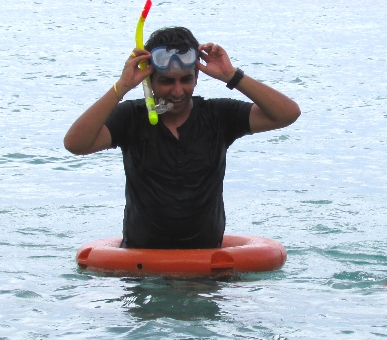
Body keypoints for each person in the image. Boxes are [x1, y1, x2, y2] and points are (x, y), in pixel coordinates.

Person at [64, 26, 300, 248]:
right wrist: (121, 88)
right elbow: (75, 144)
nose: (177, 92)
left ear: (197, 77)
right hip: (142, 270)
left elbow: (287, 114)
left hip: (206, 273)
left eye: (185, 80)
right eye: (166, 81)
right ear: (150, 80)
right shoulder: (131, 118)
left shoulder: (218, 116)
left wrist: (231, 75)